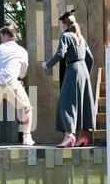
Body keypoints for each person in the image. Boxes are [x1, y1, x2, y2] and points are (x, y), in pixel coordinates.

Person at [41, 10, 96, 148]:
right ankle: (83, 137)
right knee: (83, 103)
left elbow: (60, 53)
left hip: (74, 70)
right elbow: (90, 58)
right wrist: (85, 75)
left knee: (65, 103)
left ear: (64, 25)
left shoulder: (65, 36)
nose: (60, 27)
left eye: (60, 25)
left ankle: (69, 135)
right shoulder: (80, 38)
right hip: (83, 70)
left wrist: (47, 64)